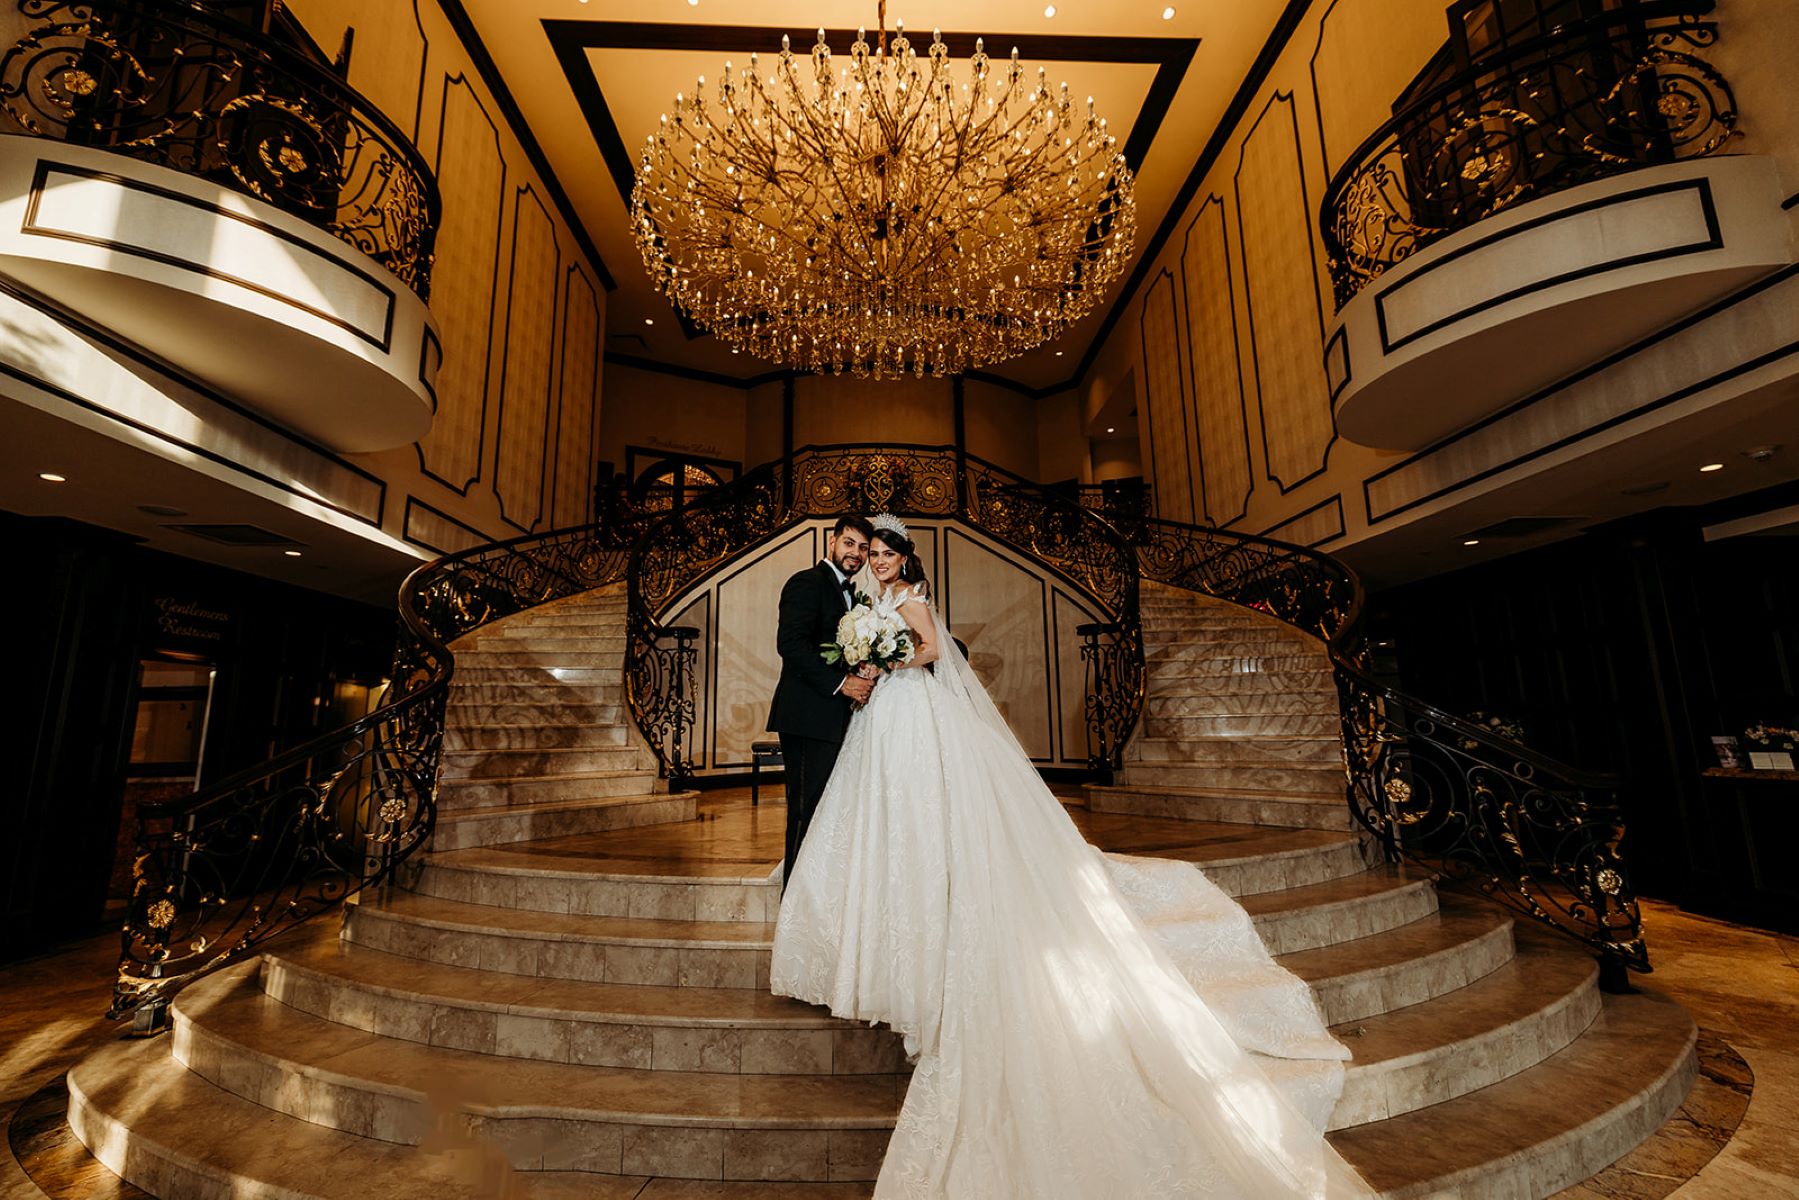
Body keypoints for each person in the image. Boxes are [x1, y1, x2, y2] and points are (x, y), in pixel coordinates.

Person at [771, 513, 1375, 1199]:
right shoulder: (863, 595)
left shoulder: (906, 595)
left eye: (883, 551)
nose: (874, 559)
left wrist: (886, 656)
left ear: (903, 556)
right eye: (867, 550)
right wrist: (870, 654)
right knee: (882, 808)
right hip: (882, 717)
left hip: (909, 707)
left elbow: (934, 650)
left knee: (922, 802)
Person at [766, 514, 876, 889]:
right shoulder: (806, 583)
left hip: (837, 718)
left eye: (863, 548)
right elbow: (791, 645)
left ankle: (818, 892)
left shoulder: (854, 596)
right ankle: (792, 897)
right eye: (850, 543)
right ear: (832, 541)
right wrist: (842, 683)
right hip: (807, 716)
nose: (856, 554)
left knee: (828, 809)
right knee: (804, 809)